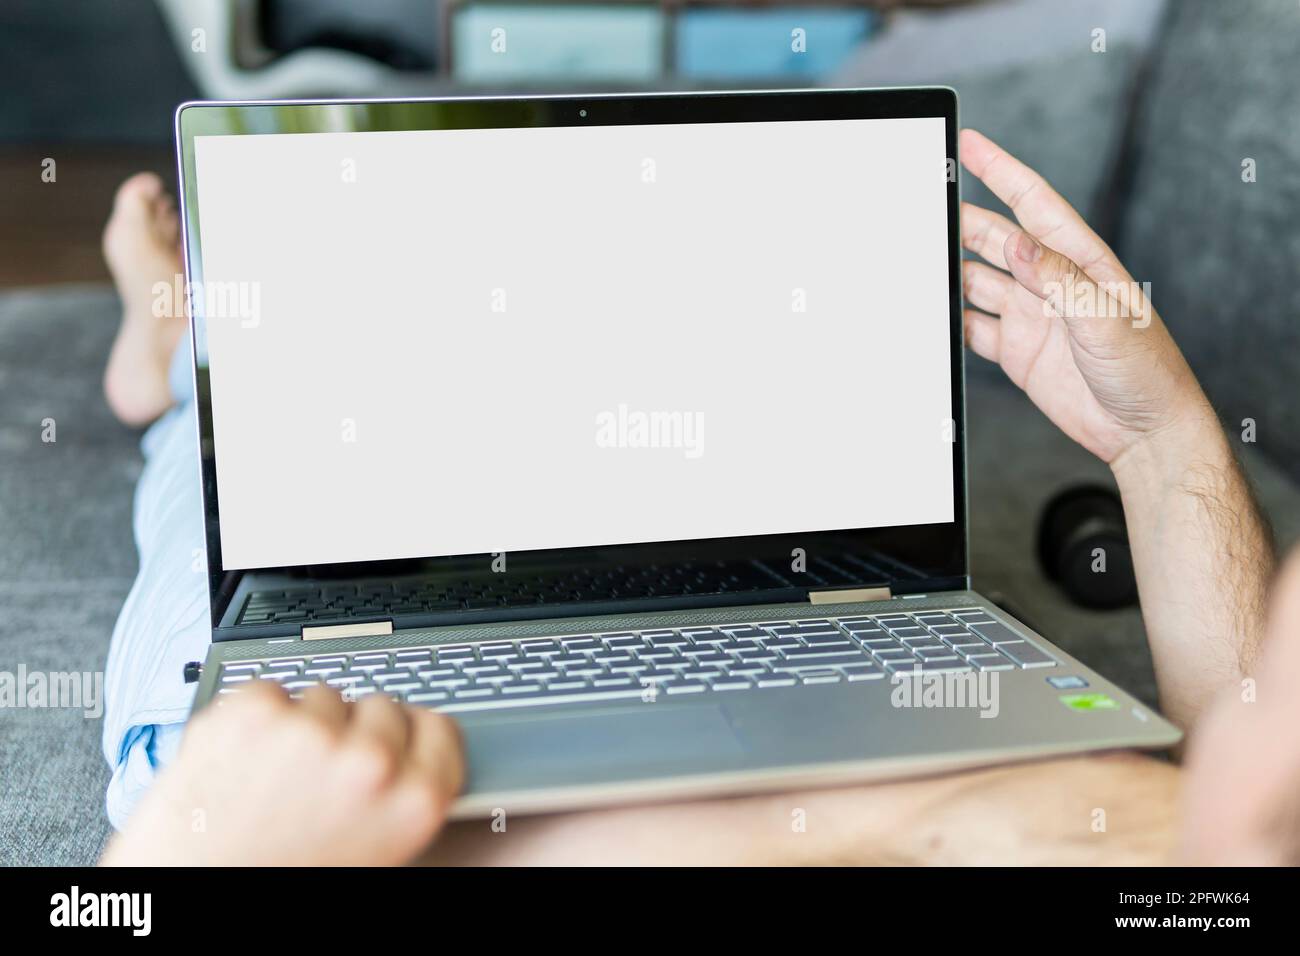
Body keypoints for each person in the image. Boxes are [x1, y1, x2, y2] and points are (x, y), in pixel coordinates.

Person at [98, 130, 1295, 866]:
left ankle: (165, 362)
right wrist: (1159, 438)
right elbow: (1234, 781)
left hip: (347, 767)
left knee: (258, 461)